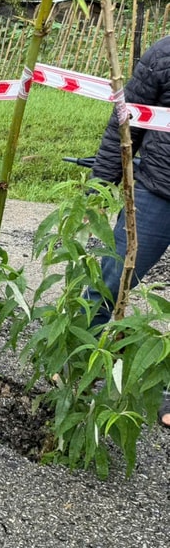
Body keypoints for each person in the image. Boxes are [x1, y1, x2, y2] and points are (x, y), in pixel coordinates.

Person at [87, 35, 170, 428]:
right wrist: (101, 184)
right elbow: (125, 122)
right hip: (157, 189)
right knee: (112, 275)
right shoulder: (164, 53)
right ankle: (82, 362)